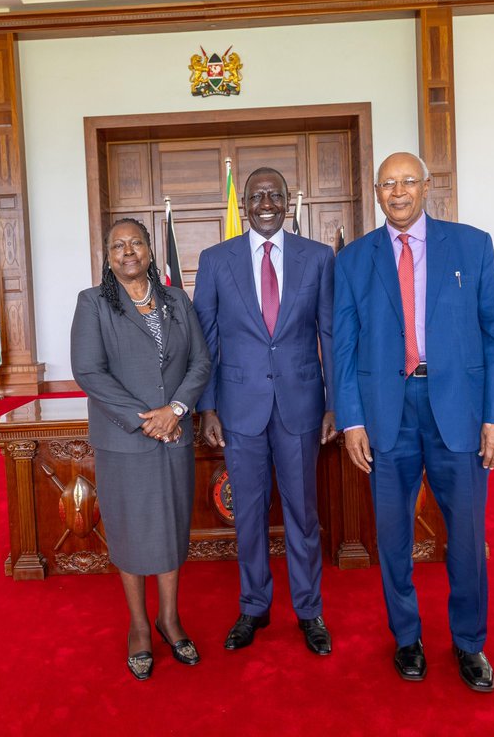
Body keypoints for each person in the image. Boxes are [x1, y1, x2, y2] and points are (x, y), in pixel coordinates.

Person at [333, 151, 494, 692]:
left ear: (426, 186)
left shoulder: (471, 245)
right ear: (376, 192)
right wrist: (351, 421)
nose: (398, 191)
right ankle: (407, 637)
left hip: (458, 410)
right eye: (387, 184)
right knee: (392, 538)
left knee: (464, 536)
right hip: (386, 415)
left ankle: (469, 643)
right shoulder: (353, 259)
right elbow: (342, 347)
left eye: (407, 181)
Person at [193, 167, 337, 656]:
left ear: (289, 201)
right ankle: (254, 605)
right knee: (248, 513)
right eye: (257, 196)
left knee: (302, 513)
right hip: (238, 408)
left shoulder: (318, 258)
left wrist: (335, 403)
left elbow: (330, 336)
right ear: (245, 204)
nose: (267, 202)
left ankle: (309, 609)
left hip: (300, 406)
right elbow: (205, 340)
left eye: (276, 194)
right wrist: (207, 406)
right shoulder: (215, 260)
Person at [70, 217, 211, 681]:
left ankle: (169, 620)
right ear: (107, 258)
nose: (127, 251)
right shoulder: (93, 304)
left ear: (150, 251)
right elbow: (89, 372)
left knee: (171, 530)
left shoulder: (176, 299)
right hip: (126, 442)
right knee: (130, 534)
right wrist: (146, 420)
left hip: (175, 436)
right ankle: (138, 627)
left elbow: (200, 360)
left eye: (135, 243)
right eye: (117, 246)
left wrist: (176, 408)